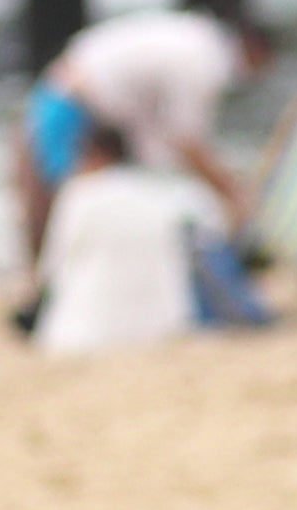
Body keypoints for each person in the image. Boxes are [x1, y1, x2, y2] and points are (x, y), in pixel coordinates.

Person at [10, 0, 265, 262]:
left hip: (71, 90)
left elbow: (167, 139)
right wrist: (232, 194)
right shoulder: (201, 61)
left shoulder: (191, 37)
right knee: (66, 209)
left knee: (59, 209)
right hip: (74, 105)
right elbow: (187, 142)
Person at [26, 117, 215, 352]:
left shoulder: (79, 194)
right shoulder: (163, 192)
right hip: (165, 326)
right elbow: (210, 234)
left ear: (94, 153)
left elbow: (51, 267)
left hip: (86, 332)